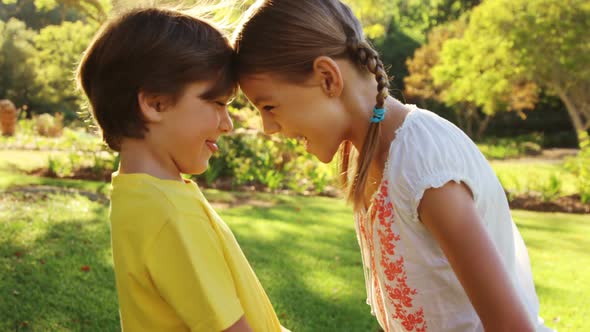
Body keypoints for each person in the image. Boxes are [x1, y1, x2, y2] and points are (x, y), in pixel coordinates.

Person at [234, 1, 552, 331]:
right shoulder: (370, 155)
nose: (268, 127)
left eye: (269, 106)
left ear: (327, 78)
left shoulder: (422, 159)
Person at [77, 7, 285, 332]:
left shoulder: (138, 194)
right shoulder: (171, 214)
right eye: (217, 103)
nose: (228, 124)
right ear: (156, 104)